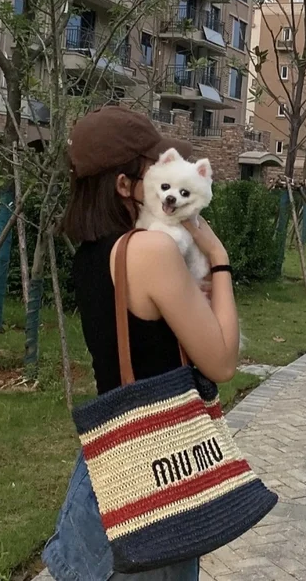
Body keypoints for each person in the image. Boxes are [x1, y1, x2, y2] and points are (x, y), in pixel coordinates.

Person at [42, 106, 241, 581]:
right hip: (158, 470)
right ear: (124, 184)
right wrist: (218, 257)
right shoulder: (150, 251)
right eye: (152, 169)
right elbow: (222, 362)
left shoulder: (90, 255)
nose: (162, 180)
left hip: (111, 463)